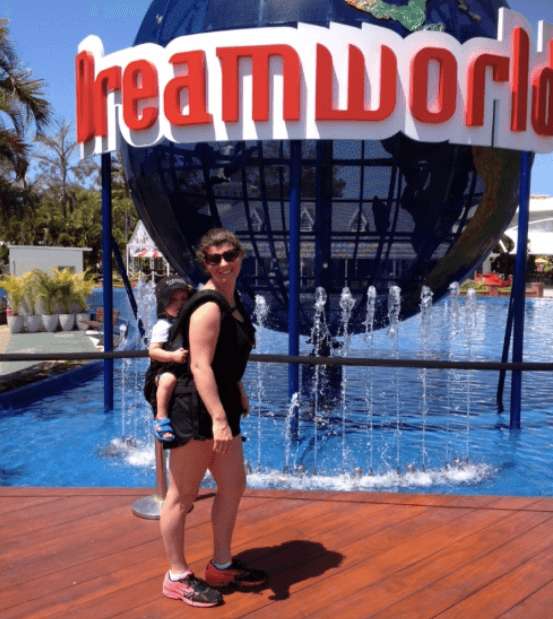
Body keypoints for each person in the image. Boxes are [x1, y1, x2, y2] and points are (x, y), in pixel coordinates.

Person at [160, 228, 267, 608]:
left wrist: (236, 388)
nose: (223, 264)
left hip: (223, 406)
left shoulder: (233, 301)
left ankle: (221, 565)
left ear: (240, 256)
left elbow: (225, 359)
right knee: (181, 496)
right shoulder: (207, 305)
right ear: (204, 263)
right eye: (213, 258)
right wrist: (219, 420)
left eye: (229, 255)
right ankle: (175, 575)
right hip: (196, 410)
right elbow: (201, 366)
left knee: (233, 485)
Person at [144, 276, 193, 442]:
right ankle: (161, 418)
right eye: (173, 300)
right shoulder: (163, 326)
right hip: (163, 370)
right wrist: (172, 356)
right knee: (168, 380)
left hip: (185, 369)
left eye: (184, 299)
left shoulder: (191, 322)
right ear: (163, 305)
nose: (179, 304)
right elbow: (153, 351)